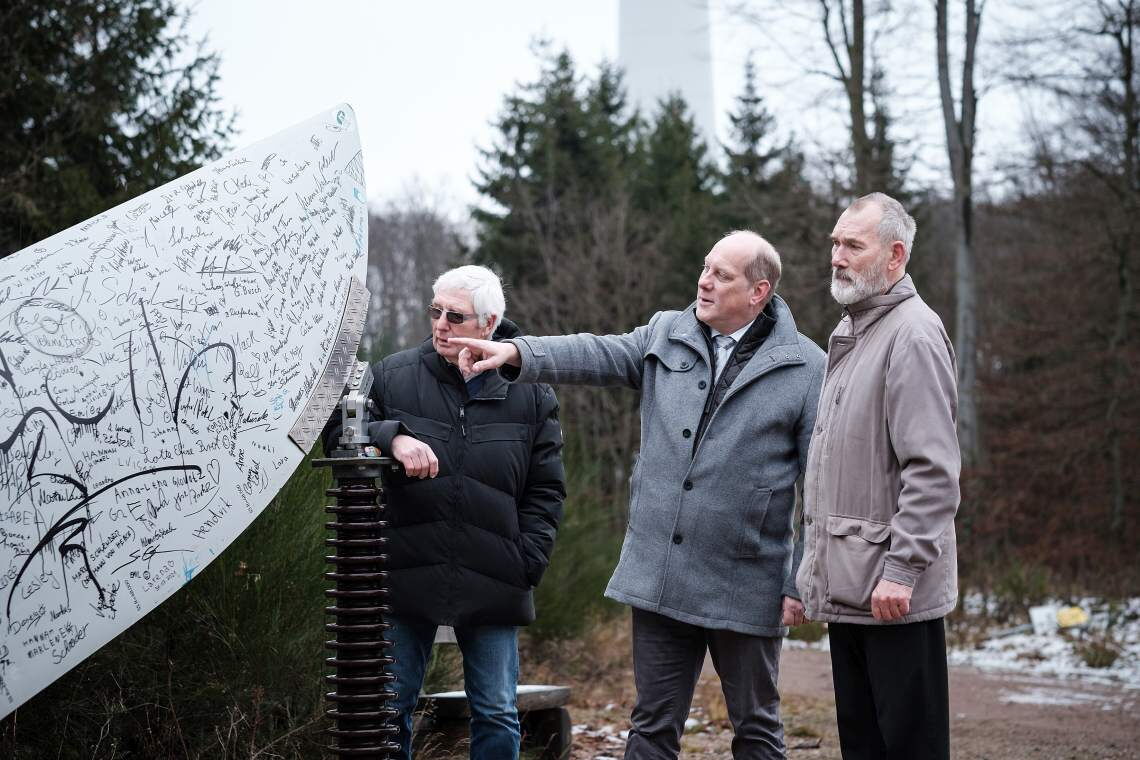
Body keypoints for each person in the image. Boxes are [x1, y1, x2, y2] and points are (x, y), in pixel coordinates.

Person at [454, 231, 825, 760]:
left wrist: (800, 578)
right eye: (705, 266)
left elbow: (821, 482)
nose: (704, 280)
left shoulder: (806, 367)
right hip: (661, 571)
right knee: (651, 726)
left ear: (759, 291)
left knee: (757, 728)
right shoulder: (667, 332)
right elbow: (596, 354)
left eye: (722, 275)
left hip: (748, 579)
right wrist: (516, 352)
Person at [323, 265, 566, 760]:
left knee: (497, 714)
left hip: (495, 572)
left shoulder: (531, 392)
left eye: (455, 315)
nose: (440, 324)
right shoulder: (392, 375)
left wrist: (527, 560)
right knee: (388, 710)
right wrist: (393, 436)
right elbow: (339, 432)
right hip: (403, 570)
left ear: (489, 322)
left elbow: (547, 489)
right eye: (435, 311)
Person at [795, 193, 961, 759]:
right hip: (852, 592)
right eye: (835, 244)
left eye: (852, 245)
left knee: (910, 749)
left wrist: (903, 568)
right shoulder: (856, 331)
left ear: (895, 256)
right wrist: (809, 572)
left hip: (894, 596)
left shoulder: (912, 333)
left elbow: (933, 470)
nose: (837, 257)